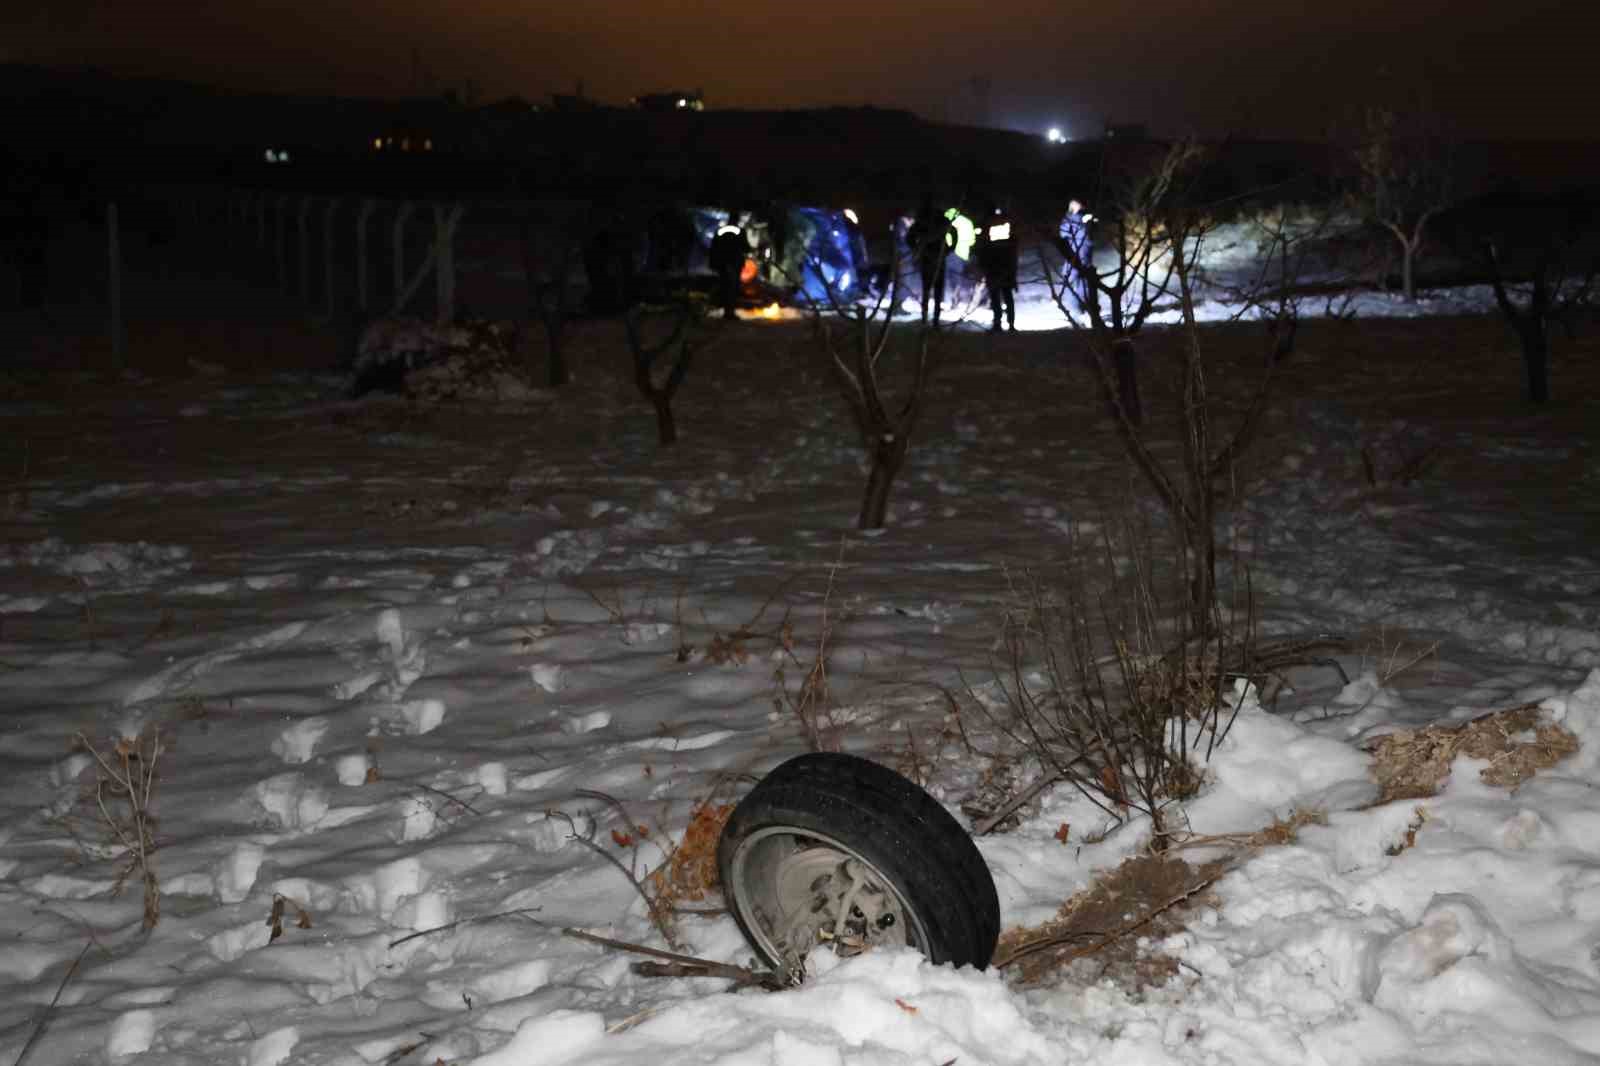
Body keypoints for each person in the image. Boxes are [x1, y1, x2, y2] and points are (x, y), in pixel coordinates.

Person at [906, 198, 954, 327]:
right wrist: (949, 250)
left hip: (934, 256)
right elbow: (910, 237)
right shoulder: (934, 219)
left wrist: (948, 250)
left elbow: (909, 237)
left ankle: (930, 319)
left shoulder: (927, 219)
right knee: (932, 289)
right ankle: (930, 319)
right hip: (933, 256)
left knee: (930, 289)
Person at [975, 204, 1018, 332]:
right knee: (1007, 294)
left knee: (995, 295)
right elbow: (1014, 243)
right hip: (1006, 263)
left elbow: (982, 245)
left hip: (993, 264)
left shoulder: (986, 223)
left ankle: (998, 323)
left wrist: (982, 264)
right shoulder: (1008, 222)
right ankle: (1010, 324)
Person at [708, 213, 749, 320]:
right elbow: (746, 247)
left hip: (722, 263)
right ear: (737, 220)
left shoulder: (721, 231)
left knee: (725, 287)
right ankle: (729, 312)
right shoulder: (740, 231)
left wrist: (714, 262)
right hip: (734, 263)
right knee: (732, 288)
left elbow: (714, 246)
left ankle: (726, 310)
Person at [1058, 198, 1093, 316]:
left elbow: (1089, 236)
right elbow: (1064, 235)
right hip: (1074, 255)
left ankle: (1085, 308)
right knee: (1073, 281)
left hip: (1083, 254)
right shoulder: (1069, 220)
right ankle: (1076, 310)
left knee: (1084, 283)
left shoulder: (1084, 218)